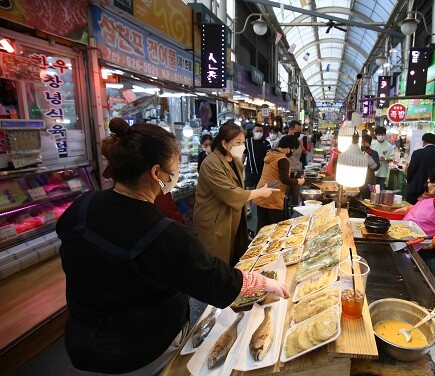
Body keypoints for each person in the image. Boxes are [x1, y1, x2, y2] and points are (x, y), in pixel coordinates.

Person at [56, 118, 289, 375]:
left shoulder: (83, 205)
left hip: (82, 344)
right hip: (142, 351)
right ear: (157, 173)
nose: (174, 177)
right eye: (173, 170)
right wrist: (263, 282)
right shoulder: (166, 234)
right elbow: (215, 280)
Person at [193, 121, 278, 265]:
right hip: (215, 219)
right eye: (237, 142)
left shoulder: (235, 161)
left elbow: (239, 189)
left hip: (231, 216)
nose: (242, 146)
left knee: (234, 257)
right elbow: (231, 194)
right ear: (224, 143)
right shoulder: (211, 163)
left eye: (243, 142)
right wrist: (259, 192)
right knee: (217, 261)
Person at [393, 167, 435, 261]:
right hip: (409, 239)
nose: (428, 185)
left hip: (421, 246)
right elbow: (422, 210)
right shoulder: (430, 198)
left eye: (429, 182)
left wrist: (432, 244)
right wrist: (405, 209)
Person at [254, 135, 305, 231]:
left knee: (262, 225)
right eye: (293, 149)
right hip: (273, 194)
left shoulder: (270, 154)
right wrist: (299, 181)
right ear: (288, 147)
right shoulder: (283, 159)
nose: (292, 152)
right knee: (277, 227)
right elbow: (285, 179)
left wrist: (293, 173)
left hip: (262, 191)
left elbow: (275, 172)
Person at [405, 133, 435, 204]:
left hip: (417, 186)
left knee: (412, 208)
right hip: (433, 188)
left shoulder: (417, 153)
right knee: (427, 210)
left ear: (424, 142)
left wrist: (410, 181)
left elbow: (411, 169)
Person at [244, 123, 271, 189]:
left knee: (260, 190)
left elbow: (269, 156)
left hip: (262, 172)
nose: (259, 133)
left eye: (261, 131)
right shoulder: (248, 141)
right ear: (253, 131)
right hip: (250, 171)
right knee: (249, 189)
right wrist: (241, 165)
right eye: (257, 131)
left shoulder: (266, 143)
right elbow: (244, 154)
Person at [286, 120, 304, 205]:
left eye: (299, 132)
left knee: (295, 198)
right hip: (286, 173)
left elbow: (299, 157)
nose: (298, 133)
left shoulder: (299, 142)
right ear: (290, 129)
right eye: (296, 131)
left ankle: (294, 216)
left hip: (297, 173)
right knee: (284, 197)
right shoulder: (282, 141)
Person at [359, 134, 380, 199]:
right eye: (362, 142)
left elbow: (376, 167)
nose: (363, 144)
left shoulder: (374, 153)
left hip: (368, 179)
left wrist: (368, 158)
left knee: (367, 198)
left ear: (369, 143)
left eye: (365, 142)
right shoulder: (356, 152)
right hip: (357, 179)